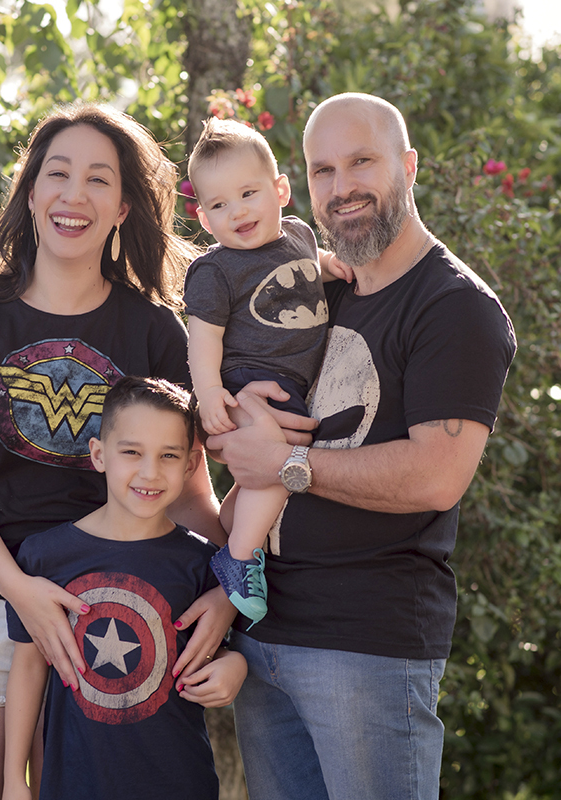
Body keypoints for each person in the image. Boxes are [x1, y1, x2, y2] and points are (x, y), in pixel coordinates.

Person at [0, 103, 236, 800]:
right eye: (58, 174)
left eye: (97, 180)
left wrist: (237, 593)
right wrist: (19, 590)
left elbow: (188, 491)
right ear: (31, 192)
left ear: (121, 207)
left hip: (108, 610)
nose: (73, 195)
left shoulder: (153, 331)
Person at [207, 93, 518, 800]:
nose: (341, 186)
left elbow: (436, 477)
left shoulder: (455, 306)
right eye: (322, 170)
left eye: (361, 162)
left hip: (366, 649)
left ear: (408, 166)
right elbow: (264, 450)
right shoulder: (323, 293)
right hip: (265, 639)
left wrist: (286, 465)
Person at [2, 376, 248, 800]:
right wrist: (12, 779)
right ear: (99, 454)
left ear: (191, 464)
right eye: (131, 452)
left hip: (178, 781)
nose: (149, 472)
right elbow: (27, 668)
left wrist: (235, 667)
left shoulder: (204, 561)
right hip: (74, 784)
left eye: (168, 455)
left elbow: (214, 648)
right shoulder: (45, 557)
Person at [183, 117, 342, 624]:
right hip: (245, 383)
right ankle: (239, 560)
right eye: (219, 204)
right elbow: (203, 336)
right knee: (278, 467)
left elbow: (304, 256)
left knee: (256, 482)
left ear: (280, 190)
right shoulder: (214, 270)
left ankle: (224, 541)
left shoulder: (297, 233)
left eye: (248, 193)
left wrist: (330, 262)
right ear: (205, 219)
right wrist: (208, 391)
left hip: (292, 385)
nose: (238, 211)